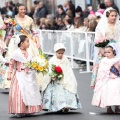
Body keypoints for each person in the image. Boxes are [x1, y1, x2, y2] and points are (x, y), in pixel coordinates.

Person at [3, 3, 42, 89]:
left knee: (29, 61)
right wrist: (5, 43)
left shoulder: (29, 19)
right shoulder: (13, 20)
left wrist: (37, 42)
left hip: (28, 42)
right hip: (15, 42)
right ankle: (11, 82)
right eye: (21, 9)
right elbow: (10, 33)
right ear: (17, 9)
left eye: (24, 9)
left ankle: (31, 81)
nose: (23, 11)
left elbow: (34, 32)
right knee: (14, 61)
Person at [7, 35, 42, 118]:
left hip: (29, 75)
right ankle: (19, 110)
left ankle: (29, 110)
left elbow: (32, 62)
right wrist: (9, 74)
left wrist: (37, 66)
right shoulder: (16, 53)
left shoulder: (29, 53)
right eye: (27, 41)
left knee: (30, 92)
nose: (29, 43)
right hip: (20, 75)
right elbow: (11, 64)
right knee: (20, 92)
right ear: (22, 43)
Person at [42, 43, 81, 112]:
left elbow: (68, 69)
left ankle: (67, 105)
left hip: (65, 78)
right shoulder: (52, 60)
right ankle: (58, 106)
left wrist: (70, 78)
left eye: (62, 53)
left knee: (68, 90)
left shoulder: (65, 60)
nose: (60, 55)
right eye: (59, 53)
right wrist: (53, 75)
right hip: (56, 80)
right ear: (55, 52)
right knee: (57, 94)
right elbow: (50, 70)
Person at [91, 43, 120, 114]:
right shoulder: (103, 60)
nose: (107, 54)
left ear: (114, 52)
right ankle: (108, 108)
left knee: (116, 93)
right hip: (105, 80)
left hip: (115, 79)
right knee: (106, 93)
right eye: (105, 52)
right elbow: (101, 71)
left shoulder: (117, 60)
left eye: (109, 52)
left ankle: (117, 107)